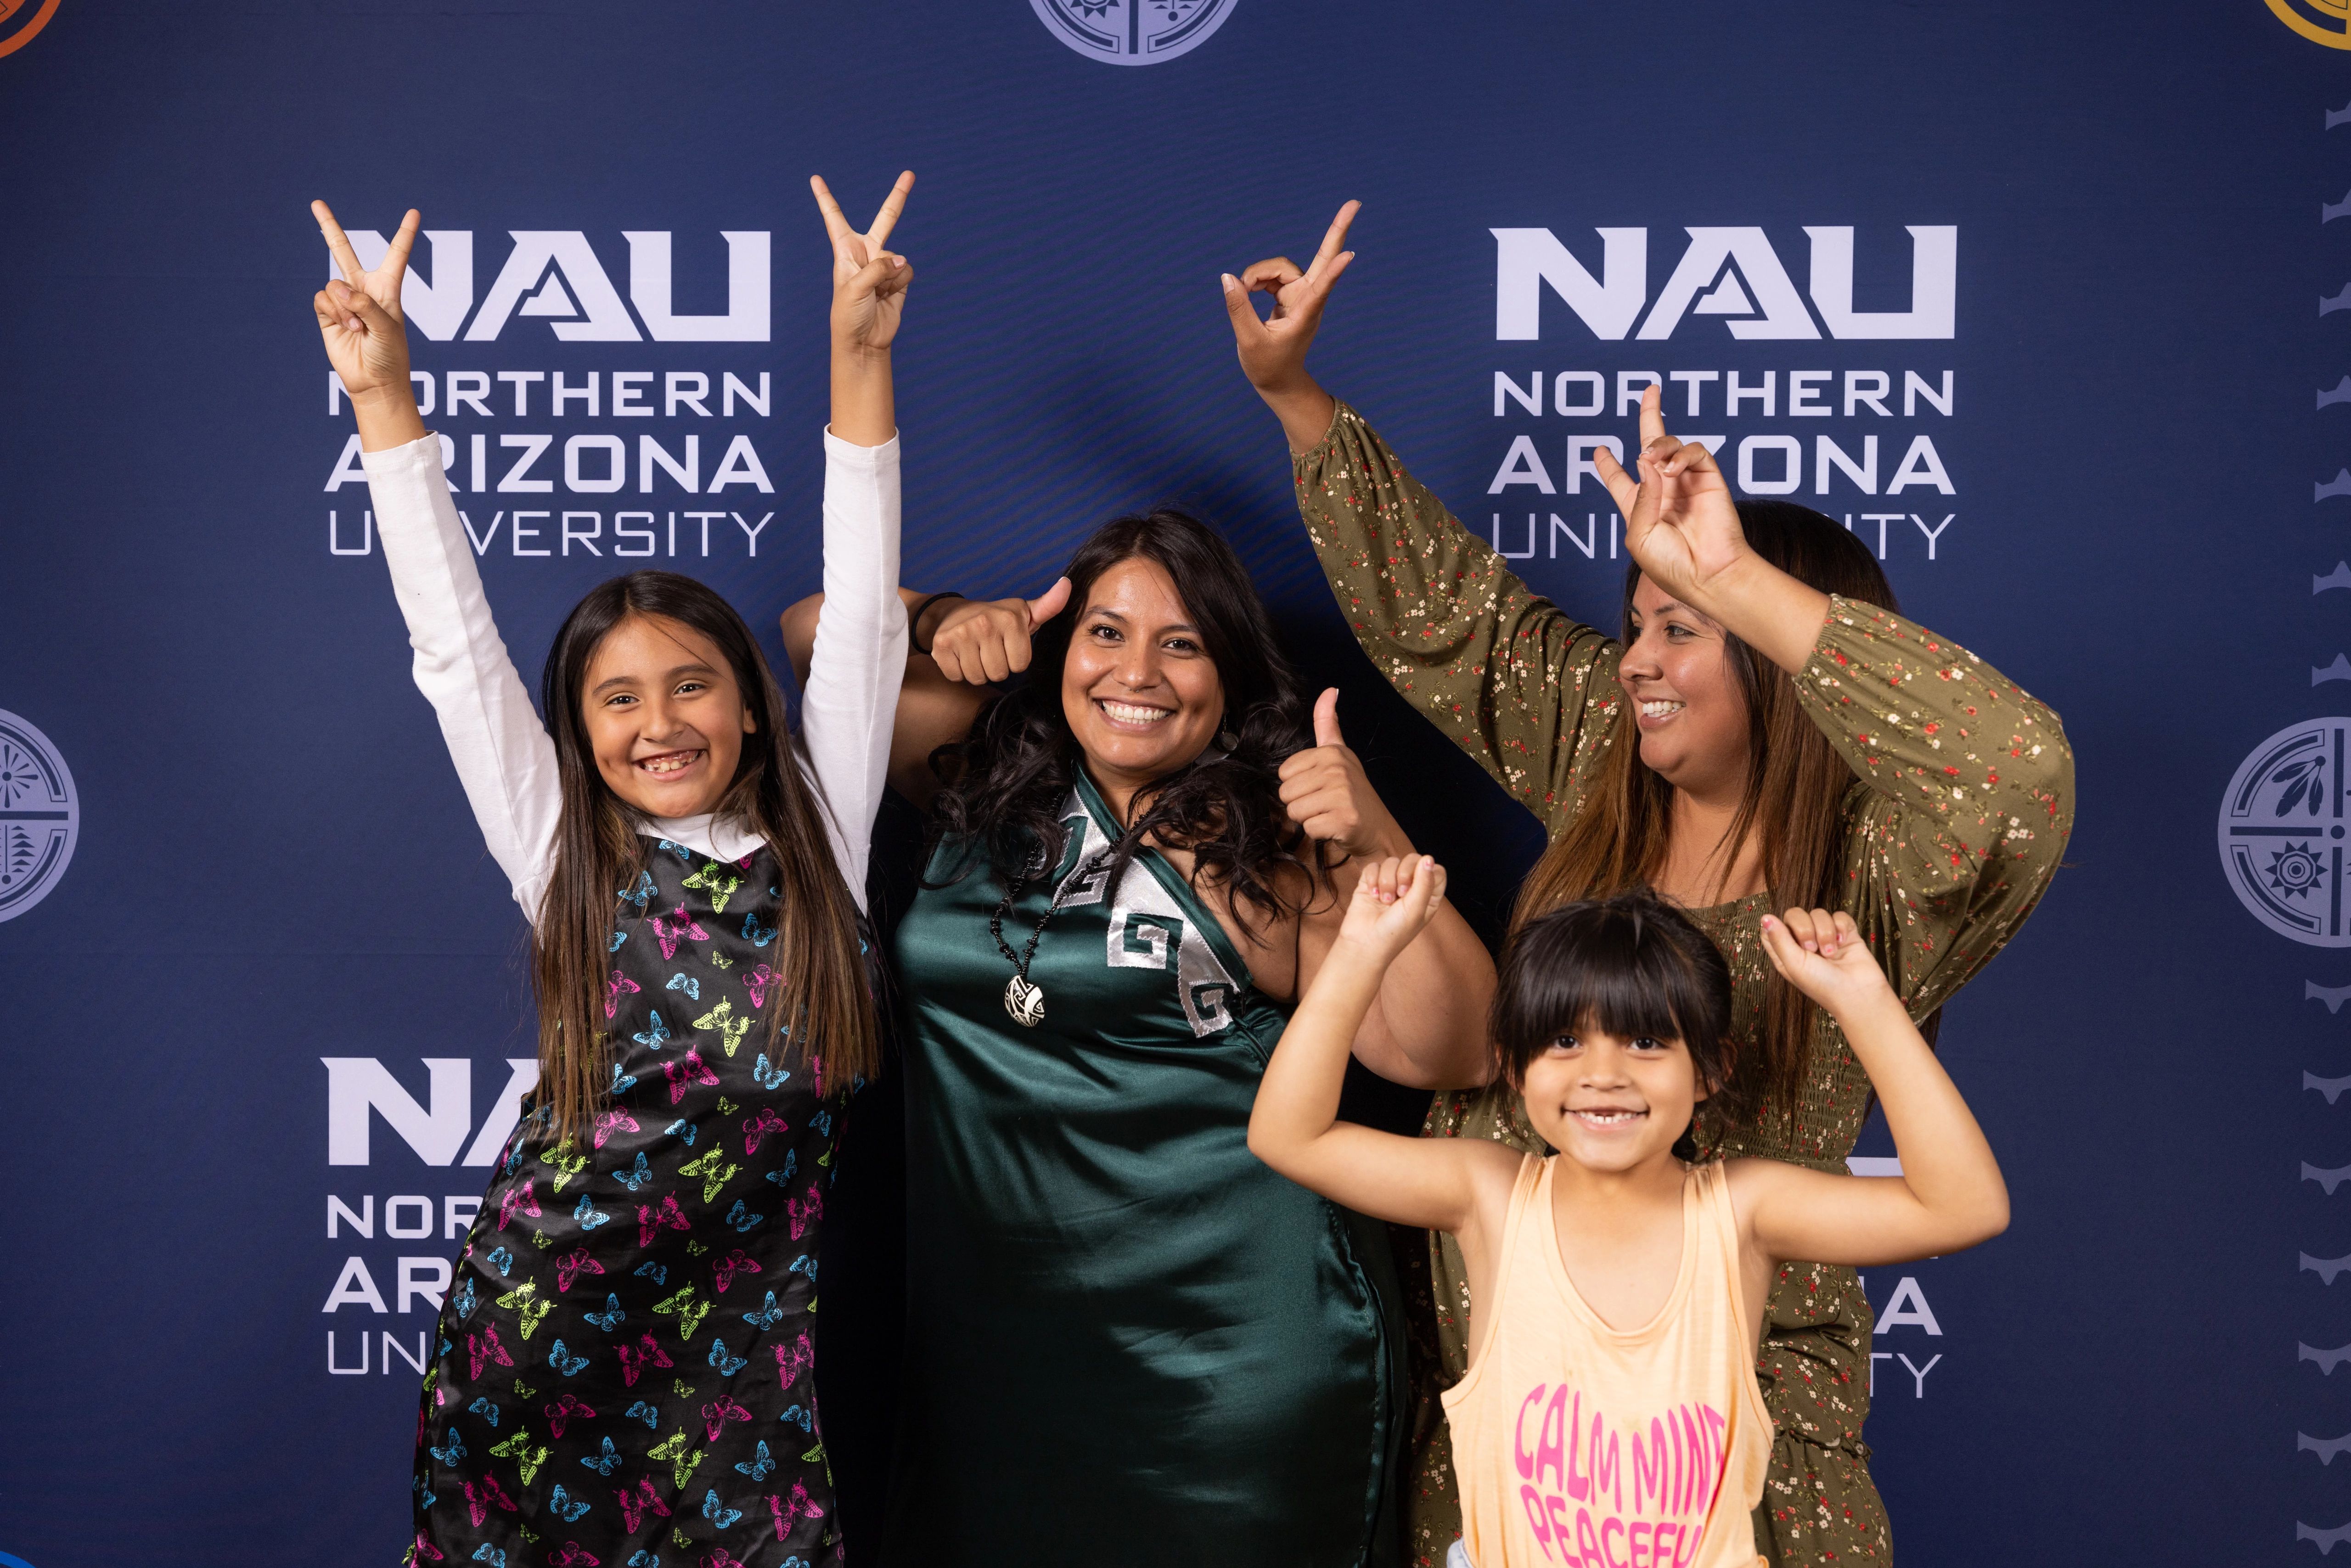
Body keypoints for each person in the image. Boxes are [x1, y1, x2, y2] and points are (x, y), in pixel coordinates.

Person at [1222, 203, 2074, 1565]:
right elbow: (1456, 618)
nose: (1635, 661)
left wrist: (1732, 574)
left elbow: (2016, 773)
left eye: (1681, 631)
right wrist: (1299, 401)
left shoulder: (1878, 872)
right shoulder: (1603, 753)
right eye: (1636, 623)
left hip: (1737, 1431)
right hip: (1522, 1416)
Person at [313, 171, 916, 1568]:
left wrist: (859, 355)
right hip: (545, 1338)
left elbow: (866, 613)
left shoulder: (823, 831)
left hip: (750, 1364)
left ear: (752, 702)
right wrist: (384, 398)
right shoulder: (562, 849)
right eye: (619, 699)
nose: (661, 725)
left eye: (692, 684)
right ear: (578, 733)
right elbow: (455, 649)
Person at [780, 511, 1496, 1565]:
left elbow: (1455, 1052)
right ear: (1061, 646)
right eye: (1107, 632)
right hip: (997, 1360)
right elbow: (817, 629)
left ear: (1229, 675)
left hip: (1233, 1363)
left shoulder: (1271, 847)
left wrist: (1375, 836)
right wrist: (942, 619)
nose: (1137, 672)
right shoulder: (975, 774)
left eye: (1182, 643)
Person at [1249, 863, 2011, 1568]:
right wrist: (1361, 949)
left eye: (1646, 1041)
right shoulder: (1491, 1195)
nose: (1603, 1075)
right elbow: (1289, 1133)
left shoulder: (1741, 1212)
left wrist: (1864, 1002)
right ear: (1514, 1066)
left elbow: (1963, 1205)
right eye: (1565, 1041)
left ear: (1710, 1069)